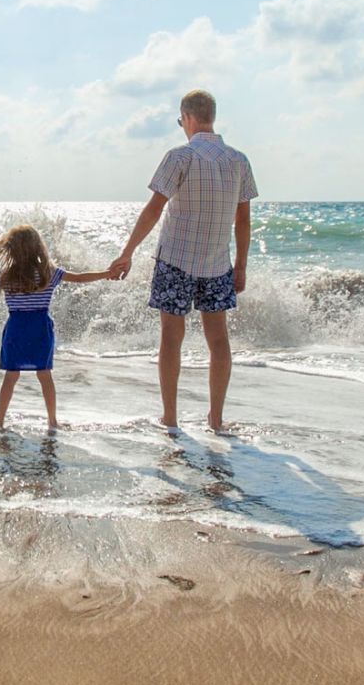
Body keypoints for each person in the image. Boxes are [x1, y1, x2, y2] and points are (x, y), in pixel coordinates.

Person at [107, 90, 257, 432]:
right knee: (218, 340)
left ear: (187, 117)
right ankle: (215, 419)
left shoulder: (180, 157)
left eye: (180, 121)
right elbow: (243, 221)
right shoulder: (238, 160)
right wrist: (242, 264)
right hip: (218, 264)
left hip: (175, 260)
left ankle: (171, 418)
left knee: (171, 339)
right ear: (212, 117)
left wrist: (127, 251)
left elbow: (154, 209)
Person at [0, 224, 113, 429]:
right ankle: (52, 421)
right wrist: (106, 273)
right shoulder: (48, 272)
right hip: (40, 328)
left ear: (11, 249)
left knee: (11, 375)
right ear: (37, 247)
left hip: (16, 327)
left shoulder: (7, 274)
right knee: (44, 374)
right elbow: (78, 277)